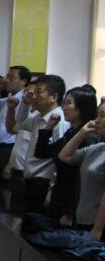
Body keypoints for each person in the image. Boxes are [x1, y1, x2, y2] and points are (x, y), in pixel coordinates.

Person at [33, 85, 99, 225]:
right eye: (64, 103)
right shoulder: (71, 133)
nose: (64, 107)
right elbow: (42, 153)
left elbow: (81, 180)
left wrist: (70, 212)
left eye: (69, 103)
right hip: (59, 195)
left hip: (72, 204)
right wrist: (48, 127)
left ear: (82, 106)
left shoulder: (88, 137)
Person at [9, 74, 67, 212]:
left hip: (44, 184)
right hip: (31, 181)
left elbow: (59, 159)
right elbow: (20, 122)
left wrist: (51, 192)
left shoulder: (60, 121)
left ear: (54, 97)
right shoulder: (39, 117)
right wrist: (25, 103)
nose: (34, 96)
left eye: (39, 92)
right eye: (33, 92)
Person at [58, 101, 105, 238]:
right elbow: (64, 156)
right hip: (82, 219)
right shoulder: (98, 147)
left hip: (97, 225)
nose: (96, 121)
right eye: (97, 115)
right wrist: (82, 132)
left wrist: (98, 228)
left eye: (102, 116)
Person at [0, 66, 31, 185]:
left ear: (24, 81)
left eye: (12, 77)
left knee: (4, 187)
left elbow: (19, 132)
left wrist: (10, 163)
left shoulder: (24, 100)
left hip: (9, 149)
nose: (7, 80)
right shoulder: (9, 98)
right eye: (7, 77)